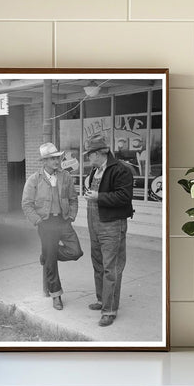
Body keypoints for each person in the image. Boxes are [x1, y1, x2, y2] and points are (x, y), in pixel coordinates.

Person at [22, 142, 83, 310]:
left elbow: (73, 199)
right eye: (52, 158)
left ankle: (47, 256)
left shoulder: (65, 177)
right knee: (51, 262)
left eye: (57, 157)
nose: (57, 160)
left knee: (76, 251)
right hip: (46, 223)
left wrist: (71, 216)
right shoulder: (34, 179)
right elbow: (26, 204)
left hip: (63, 221)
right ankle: (56, 295)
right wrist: (39, 221)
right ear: (44, 161)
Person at [84, 134, 134, 327]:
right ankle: (101, 300)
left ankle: (110, 310)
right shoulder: (95, 170)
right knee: (97, 262)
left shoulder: (121, 170)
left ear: (101, 152)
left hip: (112, 224)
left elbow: (124, 197)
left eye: (90, 154)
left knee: (110, 267)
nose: (88, 157)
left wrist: (98, 196)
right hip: (94, 222)